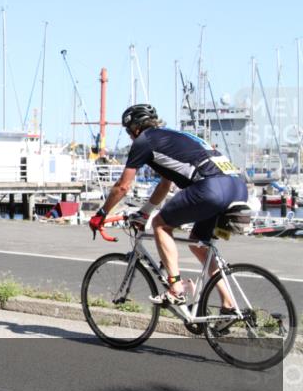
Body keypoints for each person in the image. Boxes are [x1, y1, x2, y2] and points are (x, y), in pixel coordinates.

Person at [88, 104, 247, 308]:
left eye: (129, 132)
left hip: (211, 188)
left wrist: (101, 214)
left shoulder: (143, 141)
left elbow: (122, 187)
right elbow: (165, 183)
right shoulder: (171, 137)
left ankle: (176, 289)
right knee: (198, 244)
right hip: (237, 187)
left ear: (136, 128)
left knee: (161, 225)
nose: (130, 137)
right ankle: (228, 303)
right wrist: (144, 212)